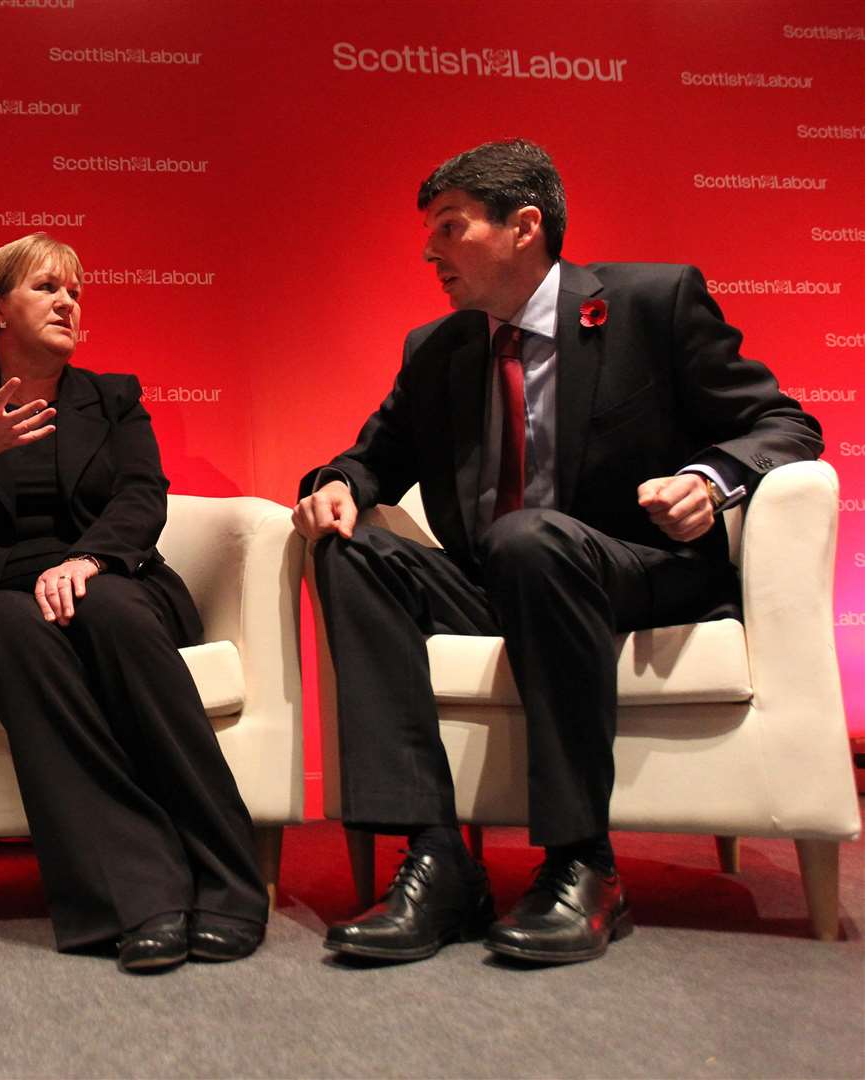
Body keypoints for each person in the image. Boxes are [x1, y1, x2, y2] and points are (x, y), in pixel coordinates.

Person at [294, 140, 821, 966]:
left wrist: (707, 478)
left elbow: (785, 426)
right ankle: (435, 859)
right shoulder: (438, 348)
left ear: (524, 226)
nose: (428, 251)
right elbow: (373, 456)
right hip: (500, 576)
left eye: (449, 227)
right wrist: (340, 487)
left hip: (633, 571)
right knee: (349, 552)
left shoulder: (653, 300)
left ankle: (584, 864)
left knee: (528, 538)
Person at [0, 233, 267, 974]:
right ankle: (136, 894)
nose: (67, 302)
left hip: (112, 576)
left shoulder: (114, 397)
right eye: (47, 287)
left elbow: (145, 494)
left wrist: (89, 559)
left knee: (109, 614)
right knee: (14, 631)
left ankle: (227, 881)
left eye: (75, 291)